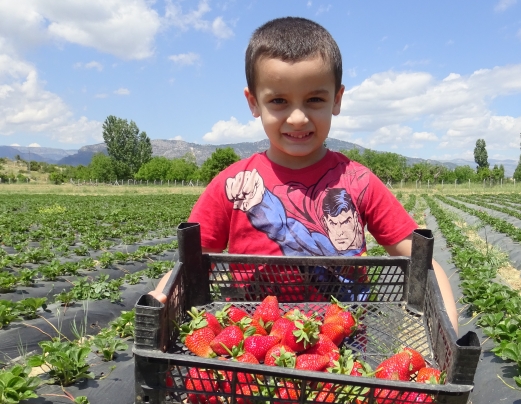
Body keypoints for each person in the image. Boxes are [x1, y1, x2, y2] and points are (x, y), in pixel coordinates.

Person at [148, 16, 458, 333]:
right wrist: (161, 302)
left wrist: (447, 331)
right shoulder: (233, 186)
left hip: (342, 357)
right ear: (254, 103)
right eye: (279, 101)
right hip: (252, 352)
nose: (297, 117)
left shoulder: (358, 182)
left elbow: (423, 263)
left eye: (314, 99)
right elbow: (187, 268)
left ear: (336, 99)